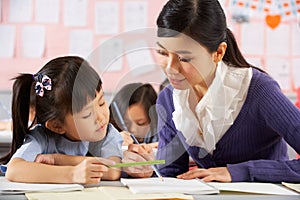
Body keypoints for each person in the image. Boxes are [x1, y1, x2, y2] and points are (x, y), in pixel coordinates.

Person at [125, 0, 300, 183]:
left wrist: (237, 172)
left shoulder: (259, 91)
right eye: (162, 53)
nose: (171, 68)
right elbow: (171, 175)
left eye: (184, 58)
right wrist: (143, 170)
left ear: (218, 52)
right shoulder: (169, 100)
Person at [0, 56, 123, 184]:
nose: (101, 117)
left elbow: (113, 169)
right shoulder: (44, 138)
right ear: (56, 126)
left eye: (102, 103)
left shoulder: (107, 133)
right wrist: (72, 174)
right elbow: (14, 170)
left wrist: (58, 160)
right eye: (87, 115)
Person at [109, 83, 158, 148]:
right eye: (126, 123)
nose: (132, 129)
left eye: (141, 123)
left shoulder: (165, 134)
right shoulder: (110, 136)